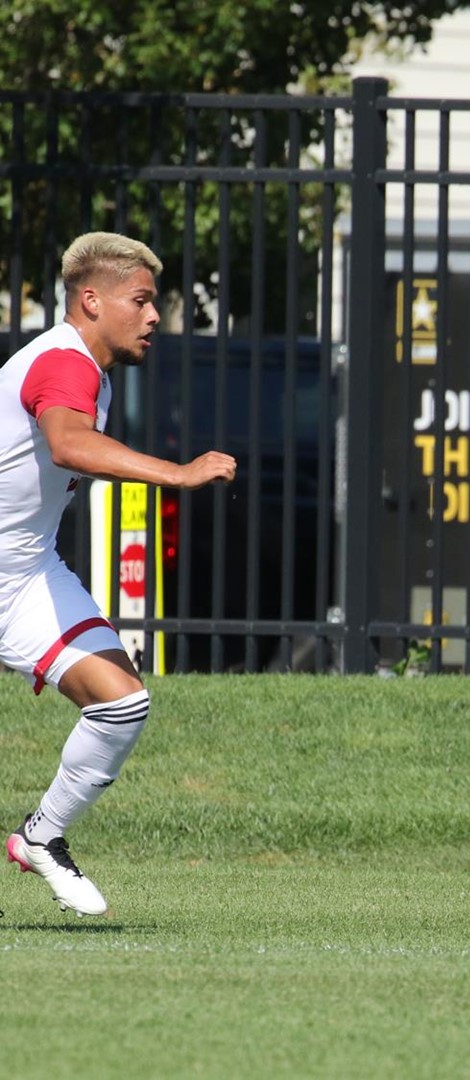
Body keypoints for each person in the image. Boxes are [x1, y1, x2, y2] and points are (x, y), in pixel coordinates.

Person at [1, 232, 236, 915]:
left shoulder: (86, 372)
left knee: (121, 700)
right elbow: (69, 445)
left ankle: (42, 837)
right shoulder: (65, 362)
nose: (155, 315)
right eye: (142, 300)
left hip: (23, 574)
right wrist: (179, 474)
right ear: (91, 300)